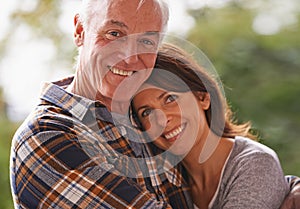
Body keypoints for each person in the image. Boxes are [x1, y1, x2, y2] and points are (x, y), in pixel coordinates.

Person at [9, 1, 193, 208]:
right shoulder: (45, 135)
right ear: (80, 31)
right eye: (114, 34)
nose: (129, 57)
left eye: (146, 42)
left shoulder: (152, 118)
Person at [131, 43, 290, 209]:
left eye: (170, 99)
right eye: (147, 112)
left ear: (202, 97)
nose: (162, 120)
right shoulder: (165, 182)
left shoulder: (255, 164)